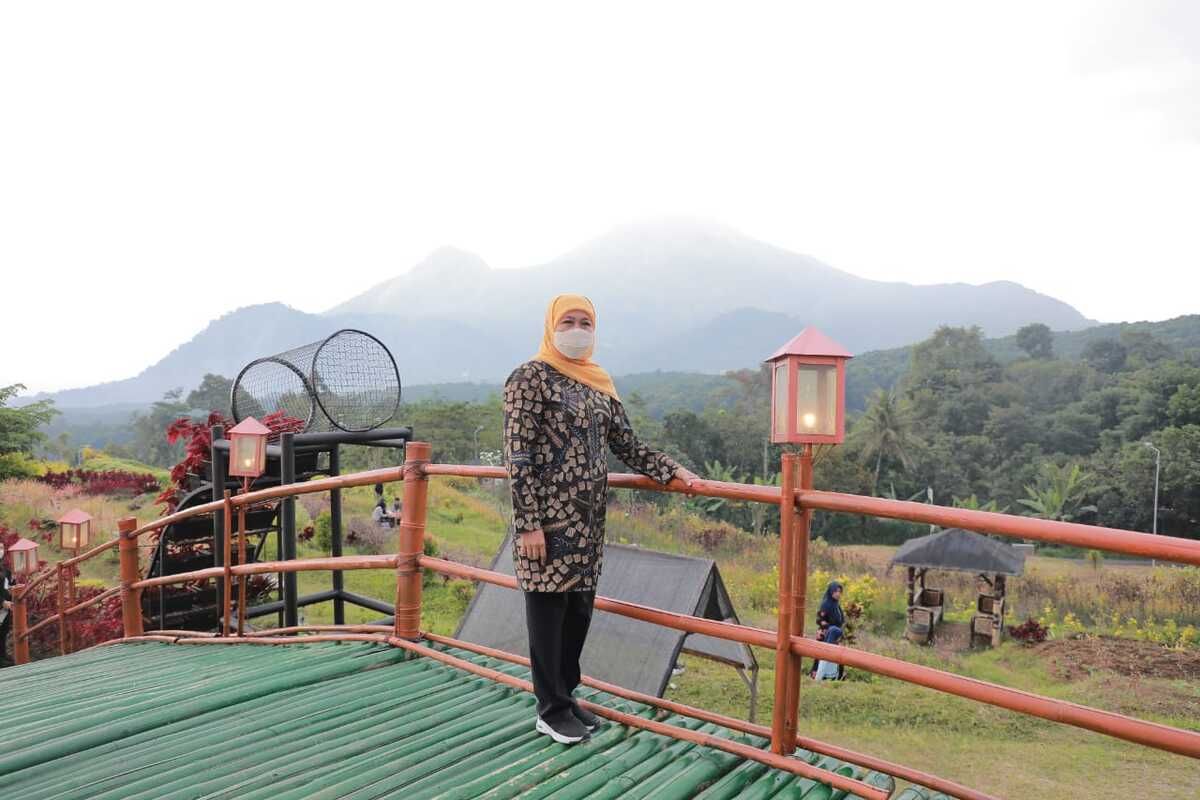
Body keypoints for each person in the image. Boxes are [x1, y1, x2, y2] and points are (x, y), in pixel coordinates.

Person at [503, 294, 699, 745]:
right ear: (551, 326)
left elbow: (627, 445)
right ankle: (549, 709)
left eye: (585, 322)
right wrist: (529, 522)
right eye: (568, 321)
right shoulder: (529, 378)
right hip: (546, 525)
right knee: (548, 616)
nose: (577, 329)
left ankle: (567, 697)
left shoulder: (598, 384)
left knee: (578, 615)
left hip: (588, 527)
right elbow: (519, 455)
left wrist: (672, 471)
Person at [810, 580, 845, 679]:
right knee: (821, 655)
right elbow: (819, 619)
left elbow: (841, 620)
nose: (838, 594)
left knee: (839, 656)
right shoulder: (826, 604)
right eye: (835, 591)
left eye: (839, 591)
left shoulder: (836, 605)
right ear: (831, 592)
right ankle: (816, 675)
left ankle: (838, 676)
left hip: (835, 634)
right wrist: (828, 628)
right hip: (825, 633)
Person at [0, 542, 13, 667]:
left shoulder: (4, 568)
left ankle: (3, 655)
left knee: (3, 631)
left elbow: (8, 584)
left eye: (2, 548)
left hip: (5, 608)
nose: (1, 550)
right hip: (2, 604)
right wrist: (2, 602)